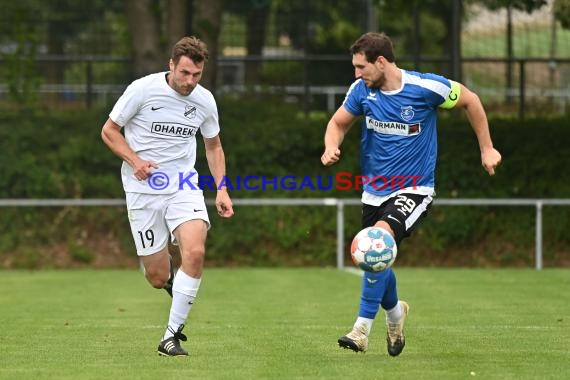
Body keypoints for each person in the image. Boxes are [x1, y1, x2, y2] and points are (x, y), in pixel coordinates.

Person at [321, 32, 501, 356]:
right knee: (375, 262)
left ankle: (361, 329)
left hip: (414, 188)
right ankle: (395, 315)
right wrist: (331, 145)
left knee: (377, 241)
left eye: (361, 67)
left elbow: (471, 100)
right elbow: (338, 123)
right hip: (373, 192)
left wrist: (487, 149)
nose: (356, 74)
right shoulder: (361, 91)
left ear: (381, 62)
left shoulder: (425, 88)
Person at [101, 36, 234, 357]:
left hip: (183, 184)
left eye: (197, 75)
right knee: (158, 277)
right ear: (171, 65)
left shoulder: (204, 100)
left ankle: (170, 336)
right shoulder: (142, 90)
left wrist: (222, 188)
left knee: (196, 250)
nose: (190, 81)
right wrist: (136, 162)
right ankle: (170, 278)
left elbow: (213, 145)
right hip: (142, 189)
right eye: (185, 73)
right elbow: (108, 131)